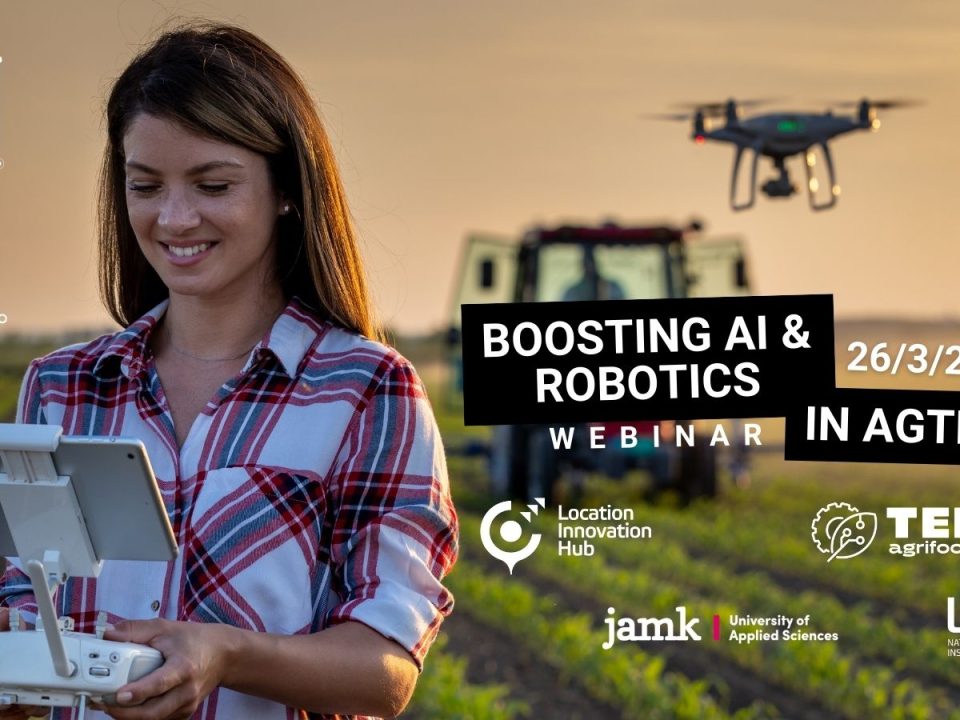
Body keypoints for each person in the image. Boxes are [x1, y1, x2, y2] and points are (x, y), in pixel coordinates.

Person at [0, 22, 458, 720]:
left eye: (212, 184)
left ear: (284, 190)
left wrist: (228, 654)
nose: (175, 218)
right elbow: (25, 605)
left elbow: (384, 667)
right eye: (145, 186)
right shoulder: (60, 388)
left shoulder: (366, 392)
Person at [560, 246, 625, 302]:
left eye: (592, 260)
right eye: (587, 260)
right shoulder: (572, 292)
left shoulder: (613, 288)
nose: (590, 265)